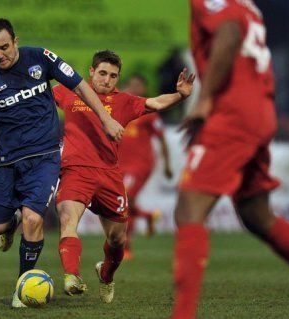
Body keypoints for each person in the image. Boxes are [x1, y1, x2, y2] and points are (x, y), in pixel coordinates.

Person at [0, 18, 124, 308]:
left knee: (34, 218)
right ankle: (9, 224)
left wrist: (105, 118)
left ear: (16, 41)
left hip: (44, 157)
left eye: (4, 47)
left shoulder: (40, 57)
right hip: (5, 162)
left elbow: (79, 85)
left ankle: (22, 286)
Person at [172, 1, 289, 318]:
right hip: (259, 111)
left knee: (189, 209)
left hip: (233, 113)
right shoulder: (246, 3)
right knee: (257, 215)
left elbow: (229, 31)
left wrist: (205, 100)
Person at [53, 50, 194, 303]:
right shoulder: (69, 91)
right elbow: (34, 98)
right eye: (103, 73)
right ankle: (72, 276)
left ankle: (106, 274)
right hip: (76, 170)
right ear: (92, 72)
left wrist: (180, 95)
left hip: (109, 175)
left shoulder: (124, 101)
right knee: (67, 218)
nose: (107, 80)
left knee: (117, 239)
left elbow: (155, 103)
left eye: (113, 76)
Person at [120, 75, 173, 259]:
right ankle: (147, 215)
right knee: (121, 202)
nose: (134, 89)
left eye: (138, 86)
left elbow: (162, 138)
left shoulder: (149, 111)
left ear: (144, 89)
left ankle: (126, 247)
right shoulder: (119, 109)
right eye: (131, 85)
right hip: (120, 166)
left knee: (125, 201)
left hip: (140, 165)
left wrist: (167, 164)